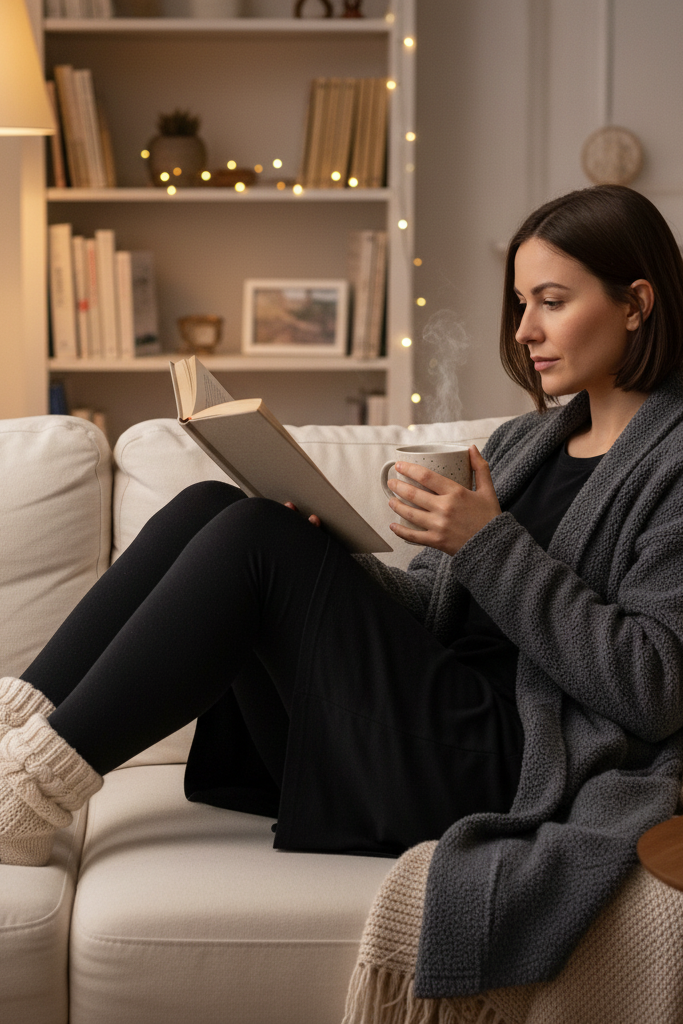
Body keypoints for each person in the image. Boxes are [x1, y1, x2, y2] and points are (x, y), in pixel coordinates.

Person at [2, 184, 683, 1000]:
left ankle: (23, 801)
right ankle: (13, 733)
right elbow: (435, 615)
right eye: (517, 304)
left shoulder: (671, 463)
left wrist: (486, 543)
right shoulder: (525, 440)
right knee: (220, 508)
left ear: (635, 303)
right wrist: (326, 558)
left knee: (256, 539)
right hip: (429, 721)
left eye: (550, 301)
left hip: (514, 760)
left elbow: (652, 688)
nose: (524, 330)